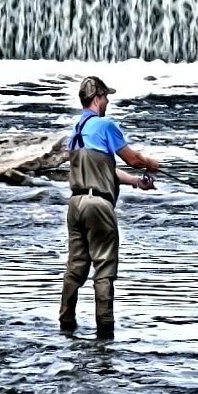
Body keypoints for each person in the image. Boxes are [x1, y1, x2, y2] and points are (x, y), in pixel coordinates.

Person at [59, 76, 160, 338]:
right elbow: (133, 159)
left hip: (76, 204)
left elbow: (107, 170)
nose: (107, 102)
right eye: (105, 97)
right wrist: (149, 164)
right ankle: (105, 333)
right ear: (97, 98)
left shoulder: (76, 133)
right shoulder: (105, 125)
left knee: (76, 267)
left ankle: (65, 323)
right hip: (99, 207)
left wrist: (137, 183)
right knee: (104, 269)